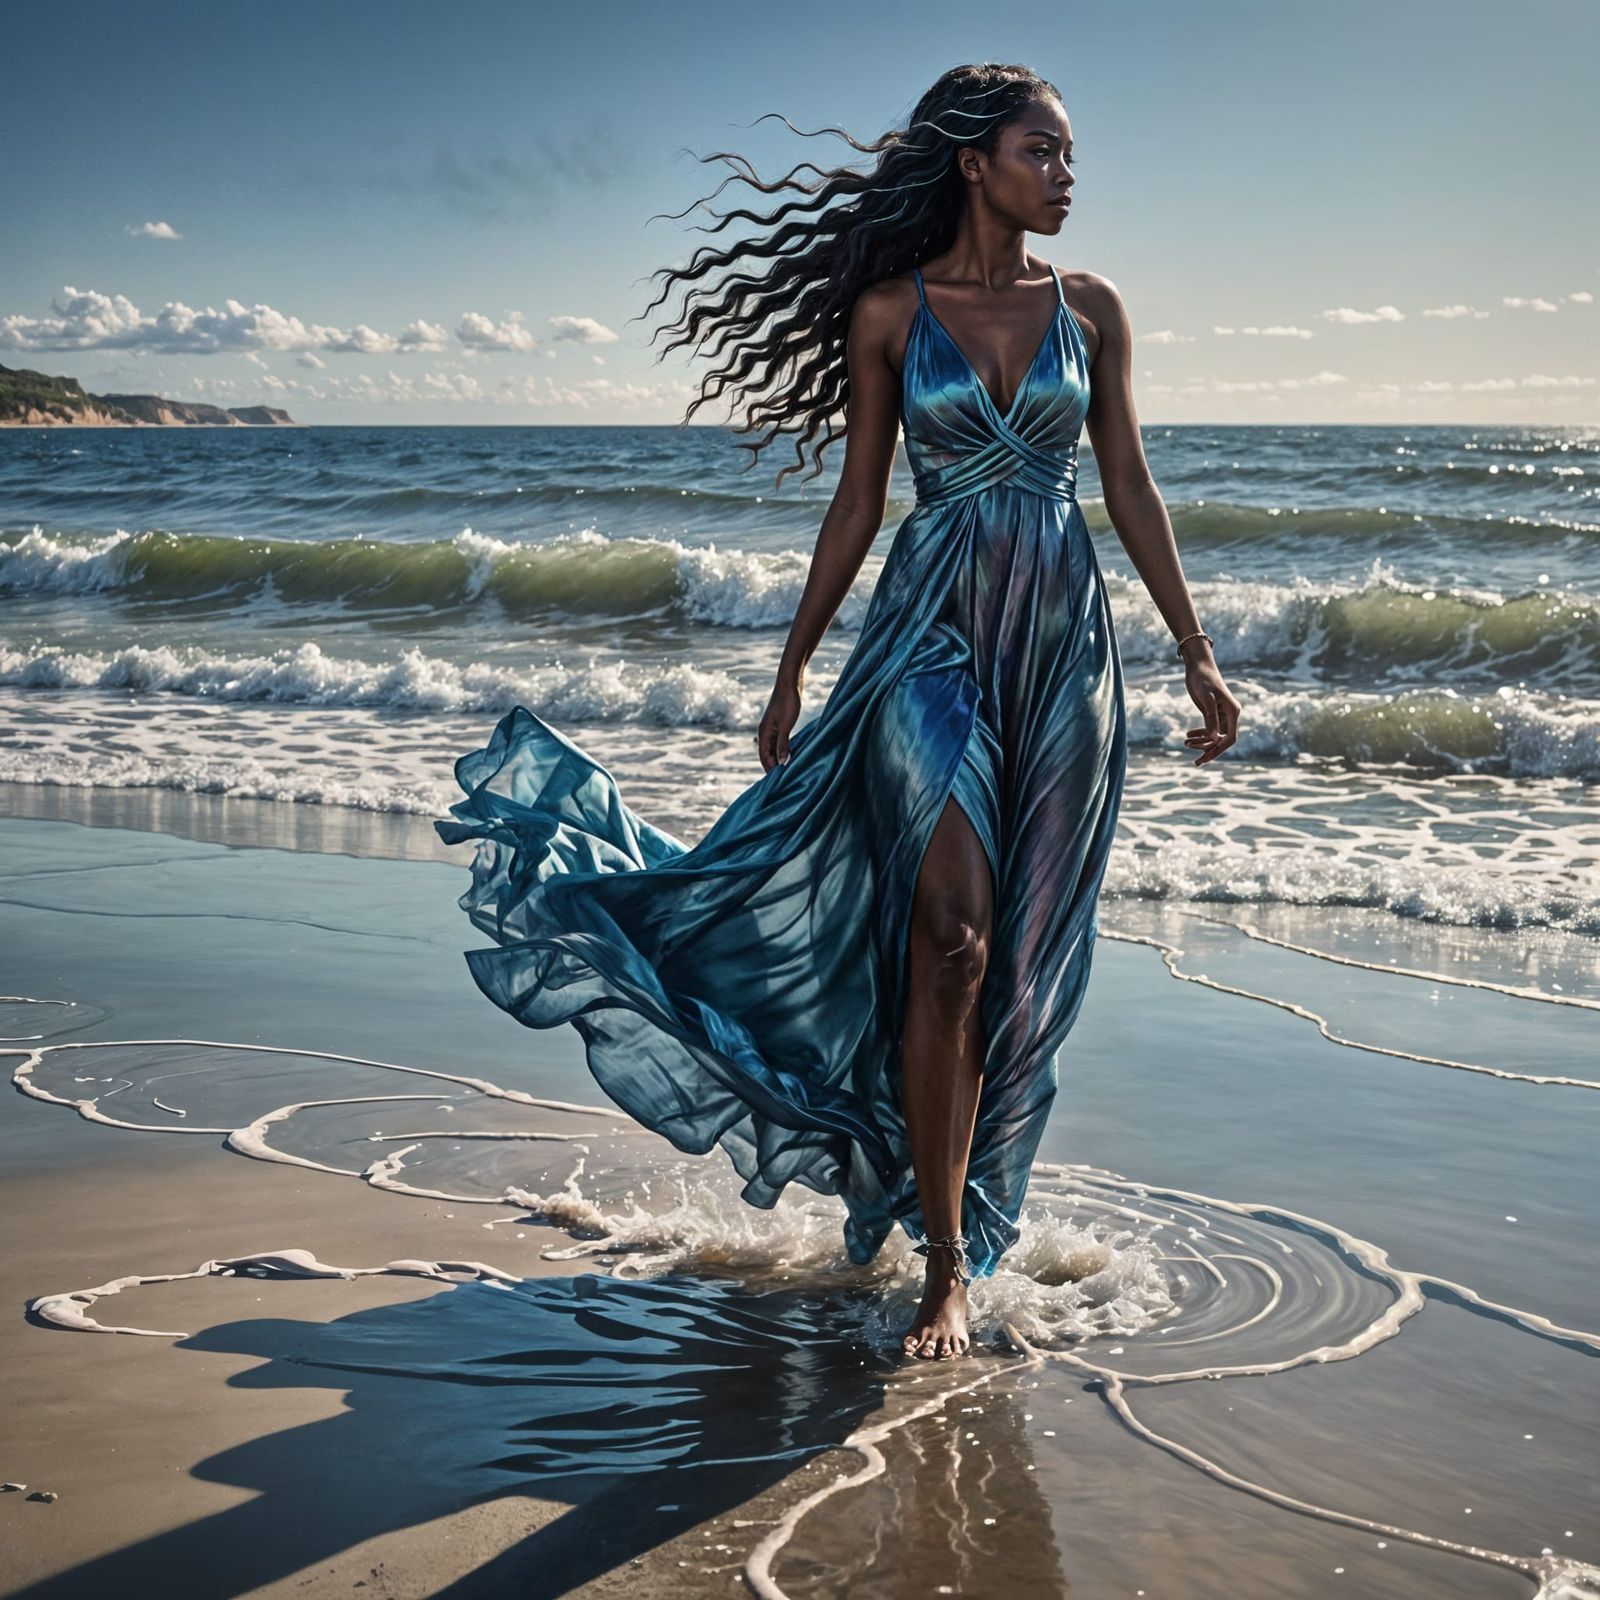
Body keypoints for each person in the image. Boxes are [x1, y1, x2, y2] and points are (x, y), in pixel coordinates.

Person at [436, 61, 1241, 1363]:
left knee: (1016, 968)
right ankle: (941, 1272)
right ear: (976, 161)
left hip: (1060, 651)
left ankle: (964, 1216)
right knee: (953, 936)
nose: (1068, 173)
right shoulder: (889, 313)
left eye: (1072, 153)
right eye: (1045, 149)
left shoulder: (1093, 311)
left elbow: (1131, 482)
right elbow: (861, 502)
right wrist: (793, 664)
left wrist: (1197, 653)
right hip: (926, 641)